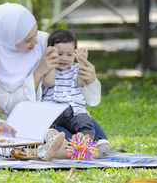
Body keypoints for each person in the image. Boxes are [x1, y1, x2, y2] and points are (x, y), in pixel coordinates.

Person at [0, 3, 108, 142]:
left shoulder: (44, 40)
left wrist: (90, 78)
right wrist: (38, 74)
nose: (35, 42)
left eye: (35, 33)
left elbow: (71, 73)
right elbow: (10, 108)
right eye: (27, 40)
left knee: (99, 138)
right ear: (8, 40)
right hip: (33, 119)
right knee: (69, 142)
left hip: (67, 109)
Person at [42, 28, 110, 156]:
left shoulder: (76, 69)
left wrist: (82, 62)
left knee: (85, 122)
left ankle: (81, 141)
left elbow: (81, 82)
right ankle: (52, 136)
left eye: (69, 54)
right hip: (55, 109)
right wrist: (51, 62)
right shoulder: (49, 69)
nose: (64, 58)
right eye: (59, 54)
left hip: (74, 110)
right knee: (48, 122)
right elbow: (48, 83)